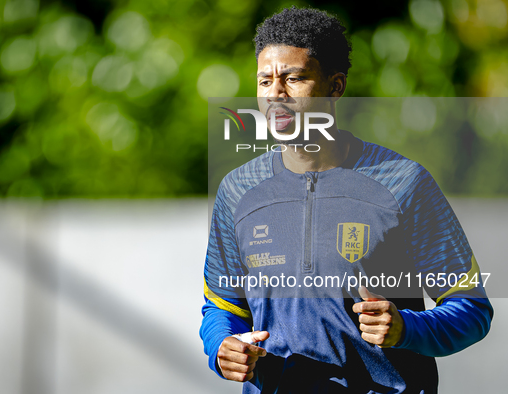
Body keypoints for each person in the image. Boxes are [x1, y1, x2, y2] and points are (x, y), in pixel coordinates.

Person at [200, 6, 493, 394]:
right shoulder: (238, 190)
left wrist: (407, 329)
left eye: (294, 78)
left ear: (335, 87)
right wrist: (222, 347)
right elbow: (222, 305)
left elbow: (471, 309)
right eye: (265, 81)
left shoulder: (404, 183)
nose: (276, 95)